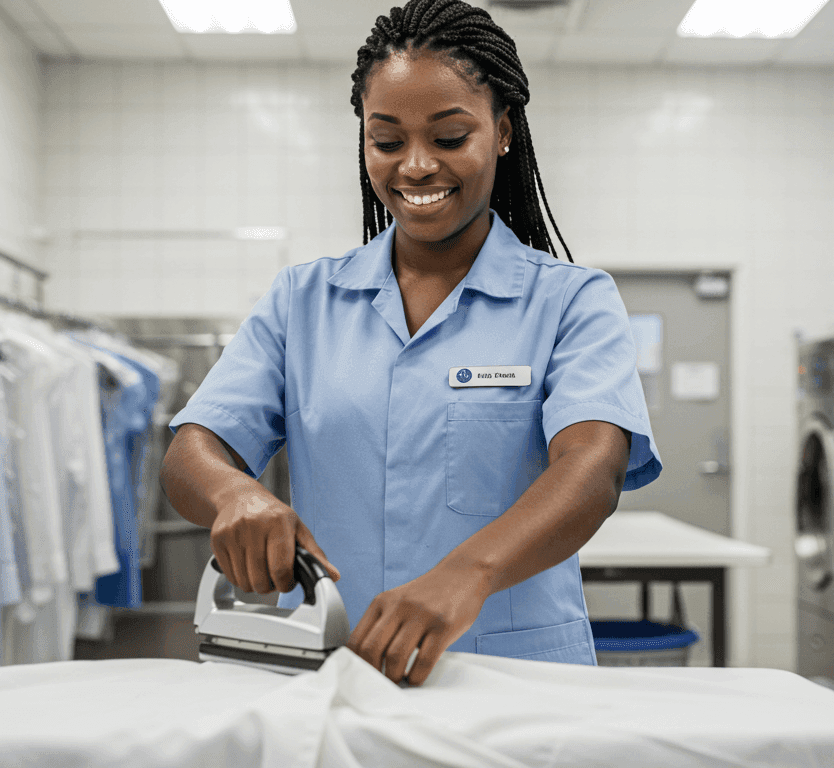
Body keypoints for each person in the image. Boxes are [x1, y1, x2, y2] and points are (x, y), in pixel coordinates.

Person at [160, 0, 662, 687]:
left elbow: (590, 469)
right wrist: (232, 497)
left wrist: (468, 574)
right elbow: (193, 452)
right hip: (329, 670)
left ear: (503, 131)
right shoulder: (302, 301)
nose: (416, 166)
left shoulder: (571, 301)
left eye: (451, 137)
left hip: (512, 676)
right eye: (388, 141)